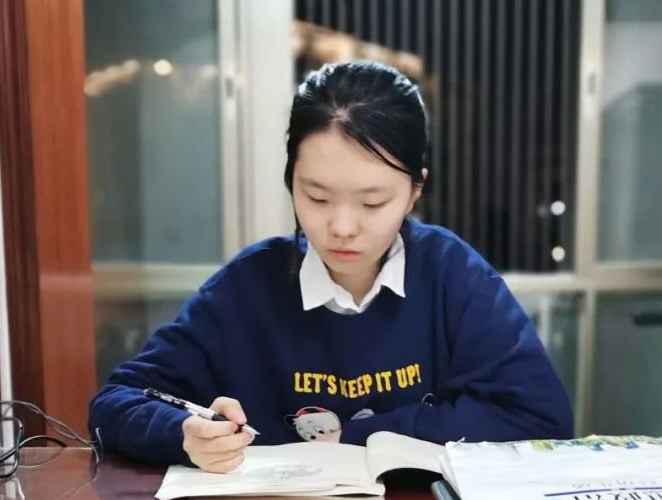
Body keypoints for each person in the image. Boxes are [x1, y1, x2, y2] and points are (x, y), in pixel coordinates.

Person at [89, 60, 573, 473]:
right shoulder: (248, 287)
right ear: (291, 181)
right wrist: (184, 433)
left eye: (372, 202)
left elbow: (540, 418)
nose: (342, 227)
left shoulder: (452, 275)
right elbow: (114, 403)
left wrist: (367, 437)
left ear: (415, 191)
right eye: (317, 197)